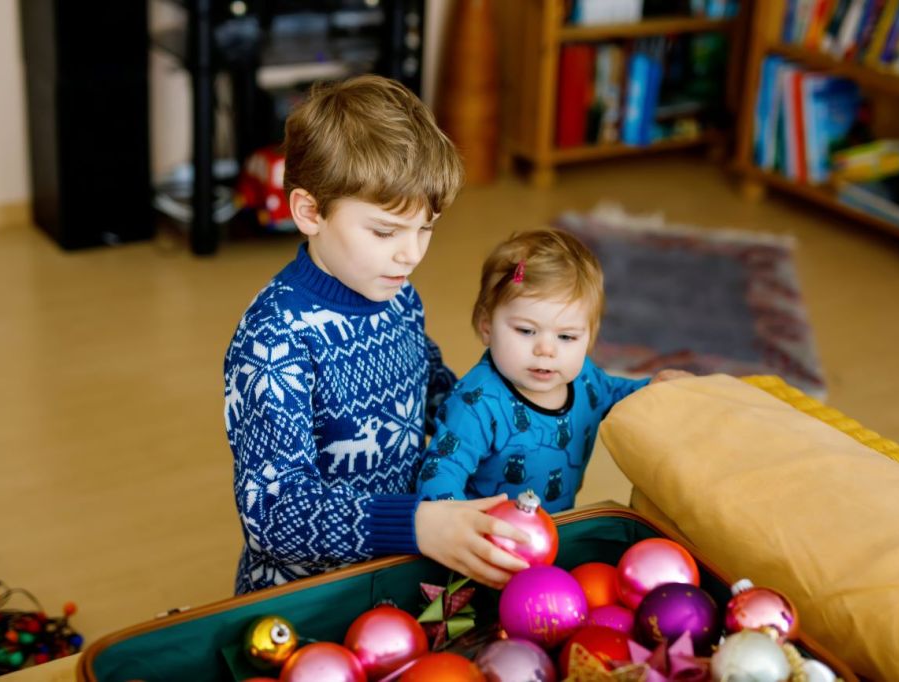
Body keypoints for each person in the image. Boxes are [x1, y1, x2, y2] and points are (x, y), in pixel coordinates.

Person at [223, 75, 529, 595]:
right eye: (386, 232)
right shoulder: (272, 340)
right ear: (309, 212)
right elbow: (273, 512)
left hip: (396, 570)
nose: (410, 254)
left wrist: (512, 422)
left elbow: (432, 389)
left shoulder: (398, 296)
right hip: (310, 597)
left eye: (425, 228)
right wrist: (416, 523)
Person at [417, 229, 690, 513]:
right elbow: (438, 473)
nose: (546, 350)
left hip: (555, 528)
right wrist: (458, 524)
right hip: (486, 540)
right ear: (487, 326)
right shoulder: (477, 404)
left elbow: (619, 394)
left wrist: (656, 388)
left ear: (589, 338)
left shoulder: (585, 378)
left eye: (567, 337)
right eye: (526, 330)